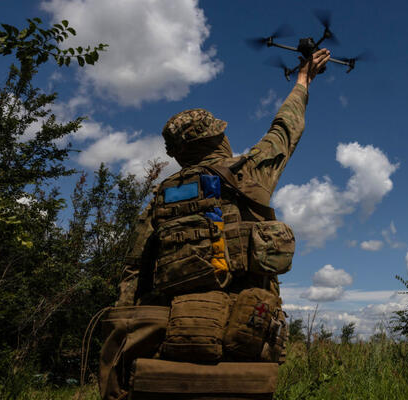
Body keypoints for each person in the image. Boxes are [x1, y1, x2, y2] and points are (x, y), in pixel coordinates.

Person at [98, 49, 331, 400]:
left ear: (178, 153)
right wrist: (303, 80)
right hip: (245, 331)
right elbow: (285, 129)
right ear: (217, 138)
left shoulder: (160, 198)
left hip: (177, 335)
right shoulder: (249, 173)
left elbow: (133, 276)